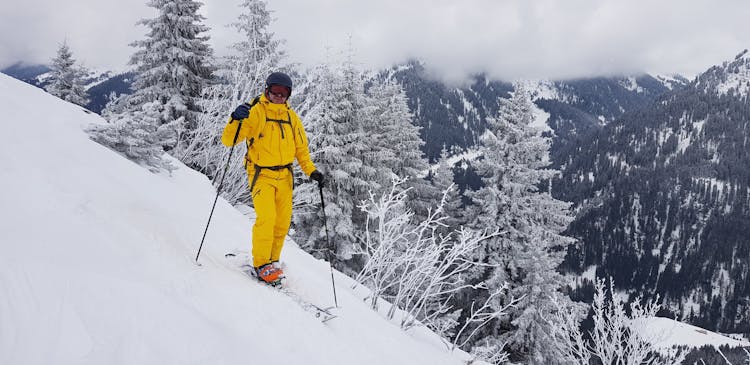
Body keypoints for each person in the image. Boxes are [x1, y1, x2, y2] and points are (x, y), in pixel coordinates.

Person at [222, 72, 324, 285]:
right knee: (266, 219)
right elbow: (229, 140)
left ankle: (273, 261)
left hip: (285, 176)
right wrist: (235, 119)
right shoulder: (256, 112)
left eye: (283, 93)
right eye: (275, 92)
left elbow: (301, 150)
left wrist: (311, 171)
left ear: (288, 94)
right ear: (267, 90)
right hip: (261, 174)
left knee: (281, 223)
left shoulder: (291, 117)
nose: (279, 96)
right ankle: (261, 264)